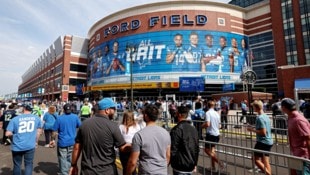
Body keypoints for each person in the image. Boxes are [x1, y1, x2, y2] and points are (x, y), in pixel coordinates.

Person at [69, 98, 129, 175]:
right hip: (107, 171)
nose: (114, 112)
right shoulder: (113, 126)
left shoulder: (84, 124)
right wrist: (135, 146)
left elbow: (77, 147)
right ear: (107, 110)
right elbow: (122, 148)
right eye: (113, 109)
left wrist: (73, 165)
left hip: (87, 171)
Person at [126, 104, 171, 175]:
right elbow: (168, 156)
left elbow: (132, 162)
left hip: (146, 172)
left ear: (146, 116)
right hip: (162, 172)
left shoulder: (139, 135)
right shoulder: (166, 133)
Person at [5, 104, 42, 175]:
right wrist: (36, 142)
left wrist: (12, 139)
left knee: (17, 165)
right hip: (30, 145)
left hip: (17, 146)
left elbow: (8, 133)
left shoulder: (15, 119)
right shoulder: (36, 118)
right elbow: (38, 132)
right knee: (28, 164)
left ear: (23, 109)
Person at [281, 98, 310, 175]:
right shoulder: (290, 118)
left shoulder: (298, 120)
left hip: (303, 155)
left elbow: (308, 138)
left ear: (284, 108)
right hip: (295, 153)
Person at [50, 104, 81, 175]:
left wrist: (52, 140)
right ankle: (68, 171)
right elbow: (80, 127)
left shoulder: (59, 118)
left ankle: (64, 173)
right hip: (72, 141)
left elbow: (54, 131)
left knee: (63, 159)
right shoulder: (75, 117)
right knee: (70, 158)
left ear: (63, 110)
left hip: (62, 142)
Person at [170, 105, 199, 175]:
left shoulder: (176, 129)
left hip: (180, 166)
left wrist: (172, 162)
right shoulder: (193, 129)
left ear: (179, 115)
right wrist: (195, 163)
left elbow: (173, 149)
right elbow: (196, 148)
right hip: (190, 165)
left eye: (176, 113)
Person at [246, 100, 273, 175]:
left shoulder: (260, 118)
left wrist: (251, 130)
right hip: (269, 141)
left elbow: (263, 132)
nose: (253, 108)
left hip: (262, 142)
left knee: (255, 159)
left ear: (256, 107)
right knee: (265, 161)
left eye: (253, 107)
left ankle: (268, 174)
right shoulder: (266, 116)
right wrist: (254, 127)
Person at [202, 100, 225, 172]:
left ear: (207, 106)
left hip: (210, 133)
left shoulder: (208, 113)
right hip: (217, 133)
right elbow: (220, 125)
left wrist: (202, 126)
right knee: (212, 150)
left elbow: (207, 124)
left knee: (206, 150)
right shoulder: (217, 113)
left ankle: (220, 162)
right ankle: (213, 167)